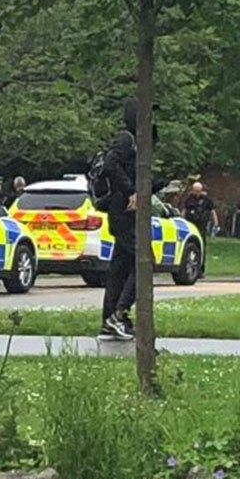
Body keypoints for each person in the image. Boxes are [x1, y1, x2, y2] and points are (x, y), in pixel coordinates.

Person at [97, 99, 141, 342]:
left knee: (120, 268)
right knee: (144, 261)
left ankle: (109, 321)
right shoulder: (127, 140)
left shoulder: (135, 142)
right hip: (122, 211)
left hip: (124, 211)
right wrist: (130, 190)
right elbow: (111, 165)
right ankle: (119, 313)